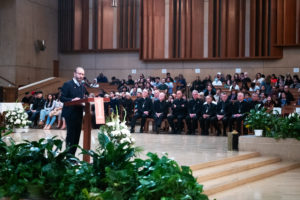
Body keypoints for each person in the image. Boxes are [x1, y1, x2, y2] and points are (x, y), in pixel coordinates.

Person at [61, 67, 88, 155]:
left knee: (77, 136)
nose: (81, 76)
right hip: (70, 113)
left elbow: (82, 98)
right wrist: (72, 100)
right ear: (74, 73)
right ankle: (68, 157)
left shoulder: (82, 86)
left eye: (82, 74)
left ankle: (72, 157)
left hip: (78, 113)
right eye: (79, 74)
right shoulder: (67, 84)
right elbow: (62, 98)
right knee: (71, 135)